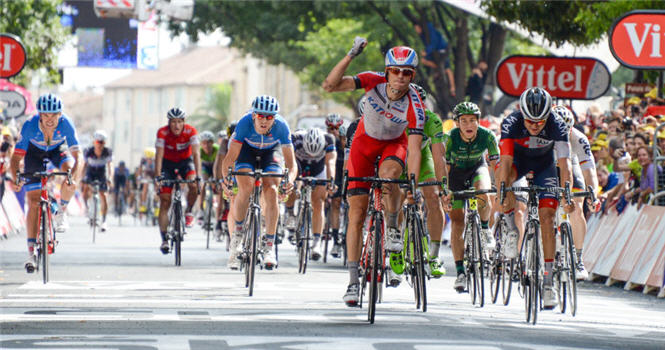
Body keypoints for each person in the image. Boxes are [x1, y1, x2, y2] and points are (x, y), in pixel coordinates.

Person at [322, 38, 425, 307]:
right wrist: (350, 55)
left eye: (407, 73)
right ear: (387, 71)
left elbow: (414, 150)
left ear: (412, 75)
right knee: (356, 214)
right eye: (395, 71)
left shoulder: (416, 105)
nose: (400, 78)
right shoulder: (372, 81)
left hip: (395, 144)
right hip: (363, 144)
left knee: (390, 179)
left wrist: (412, 187)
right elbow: (329, 85)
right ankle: (353, 281)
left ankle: (392, 227)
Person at [495, 87, 575, 310]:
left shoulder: (557, 124)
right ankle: (511, 230)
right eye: (530, 121)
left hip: (544, 166)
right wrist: (503, 189)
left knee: (548, 217)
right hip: (517, 162)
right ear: (522, 112)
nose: (535, 126)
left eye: (540, 122)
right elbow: (506, 160)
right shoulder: (511, 122)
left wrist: (566, 191)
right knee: (505, 179)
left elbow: (564, 163)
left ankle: (549, 283)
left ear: (548, 115)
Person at [221, 95, 297, 270]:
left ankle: (269, 246)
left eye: (269, 117)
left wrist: (290, 181)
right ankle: (237, 237)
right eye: (260, 115)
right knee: (245, 187)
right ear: (254, 114)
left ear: (274, 118)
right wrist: (226, 180)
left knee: (271, 189)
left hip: (271, 152)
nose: (264, 120)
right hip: (246, 151)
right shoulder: (244, 123)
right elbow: (229, 160)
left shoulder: (282, 127)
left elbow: (292, 165)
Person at [9, 93, 82, 273]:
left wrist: (72, 176)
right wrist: (16, 177)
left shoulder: (67, 125)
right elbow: (16, 157)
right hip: (34, 153)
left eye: (54, 115)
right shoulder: (29, 126)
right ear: (40, 114)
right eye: (45, 115)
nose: (49, 120)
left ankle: (61, 211)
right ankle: (31, 252)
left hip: (58, 150)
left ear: (60, 114)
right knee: (33, 201)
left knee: (70, 174)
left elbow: (79, 158)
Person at [389, 84, 447, 285]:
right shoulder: (395, 118)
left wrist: (444, 187)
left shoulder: (431, 120)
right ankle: (395, 249)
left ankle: (434, 253)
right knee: (395, 200)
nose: (416, 107)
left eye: (420, 103)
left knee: (433, 196)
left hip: (422, 158)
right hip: (398, 157)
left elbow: (439, 157)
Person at [441, 102, 499, 292]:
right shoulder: (449, 138)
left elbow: (496, 165)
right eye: (464, 121)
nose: (469, 125)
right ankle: (460, 273)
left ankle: (484, 229)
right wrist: (445, 191)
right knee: (458, 221)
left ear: (477, 121)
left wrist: (501, 186)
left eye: (472, 120)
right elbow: (445, 169)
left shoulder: (487, 135)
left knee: (483, 191)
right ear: (457, 123)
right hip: (455, 175)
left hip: (477, 168)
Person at [553, 106, 599, 280]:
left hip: (571, 166)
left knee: (577, 206)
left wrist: (592, 193)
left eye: (567, 131)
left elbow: (589, 171)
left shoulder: (579, 138)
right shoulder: (542, 136)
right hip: (549, 167)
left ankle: (578, 259)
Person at [154, 107, 202, 254]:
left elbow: (196, 154)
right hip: (167, 165)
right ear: (169, 123)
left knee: (193, 184)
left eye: (180, 122)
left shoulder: (191, 131)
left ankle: (188, 212)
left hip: (185, 163)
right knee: (165, 200)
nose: (176, 125)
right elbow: (159, 156)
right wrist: (158, 177)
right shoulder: (162, 132)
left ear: (184, 122)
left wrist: (199, 176)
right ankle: (164, 239)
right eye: (173, 122)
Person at [285, 128, 336, 260]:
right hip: (298, 166)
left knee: (319, 202)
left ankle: (316, 242)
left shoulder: (328, 139)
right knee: (292, 187)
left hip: (318, 169)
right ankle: (290, 213)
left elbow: (331, 163)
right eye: (309, 152)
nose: (312, 155)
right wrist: (293, 180)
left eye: (315, 153)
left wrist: (331, 182)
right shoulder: (296, 139)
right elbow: (289, 162)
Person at [81, 130, 114, 232]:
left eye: (102, 143)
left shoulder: (108, 152)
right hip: (91, 171)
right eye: (97, 142)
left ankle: (104, 221)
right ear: (94, 142)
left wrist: (110, 178)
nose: (99, 145)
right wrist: (82, 179)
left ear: (104, 143)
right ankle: (87, 209)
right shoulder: (88, 151)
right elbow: (84, 166)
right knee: (86, 189)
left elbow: (110, 166)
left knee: (103, 195)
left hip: (101, 172)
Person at [323, 113, 346, 258]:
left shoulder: (346, 138)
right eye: (331, 128)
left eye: (337, 128)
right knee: (335, 203)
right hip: (335, 173)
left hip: (348, 172)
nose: (334, 131)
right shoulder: (328, 142)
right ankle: (336, 240)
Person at [198, 130, 219, 224]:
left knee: (218, 185)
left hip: (215, 167)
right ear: (201, 144)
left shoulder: (217, 149)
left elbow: (219, 165)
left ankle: (218, 207)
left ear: (212, 142)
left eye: (209, 142)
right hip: (205, 168)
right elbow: (198, 166)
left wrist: (216, 178)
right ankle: (201, 209)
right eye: (204, 143)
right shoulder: (199, 151)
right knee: (203, 184)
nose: (206, 145)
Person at [138, 147, 156, 215]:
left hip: (154, 174)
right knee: (145, 186)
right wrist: (139, 177)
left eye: (151, 159)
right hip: (147, 174)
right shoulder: (143, 160)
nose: (150, 160)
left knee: (157, 189)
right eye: (148, 158)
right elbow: (140, 169)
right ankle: (143, 204)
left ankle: (156, 205)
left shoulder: (156, 160)